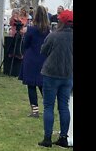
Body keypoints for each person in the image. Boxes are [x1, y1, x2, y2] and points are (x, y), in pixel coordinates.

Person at [38, 9, 73, 148]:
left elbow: (43, 51)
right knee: (64, 107)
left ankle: (47, 138)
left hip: (51, 74)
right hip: (68, 75)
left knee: (48, 106)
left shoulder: (54, 36)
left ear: (61, 22)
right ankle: (63, 137)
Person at [18, 6, 50, 118]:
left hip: (31, 59)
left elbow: (26, 44)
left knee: (31, 85)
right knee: (42, 85)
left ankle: (35, 110)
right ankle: (48, 108)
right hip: (43, 59)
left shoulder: (31, 29)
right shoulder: (48, 30)